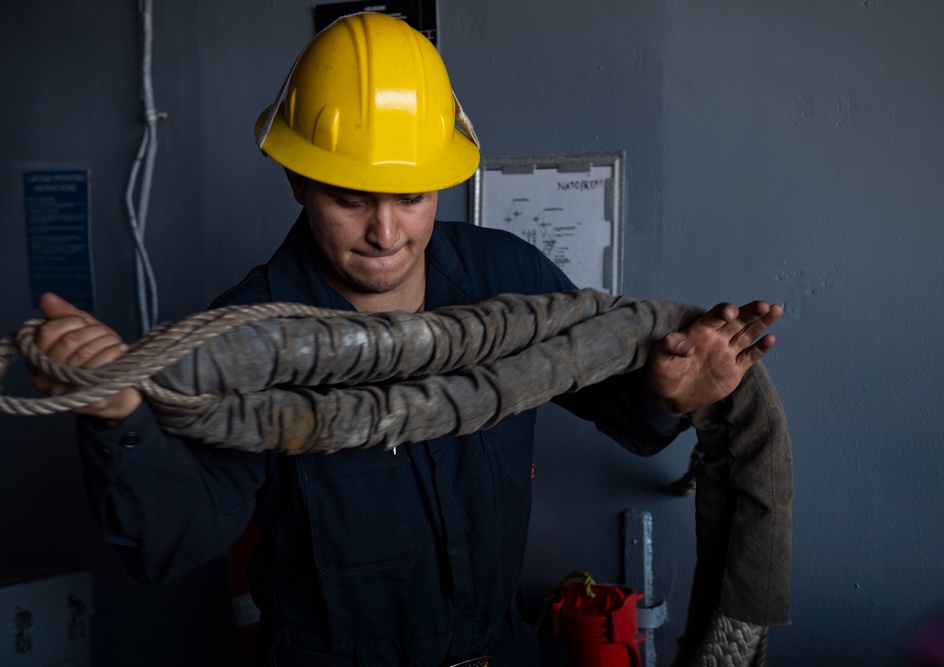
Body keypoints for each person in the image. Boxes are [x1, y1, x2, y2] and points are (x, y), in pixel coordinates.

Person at [30, 13, 782, 667]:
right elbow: (169, 541)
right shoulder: (249, 337)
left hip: (499, 651)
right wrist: (118, 413)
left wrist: (669, 391)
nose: (386, 233)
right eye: (350, 199)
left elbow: (618, 405)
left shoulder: (505, 276)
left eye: (411, 197)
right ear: (297, 179)